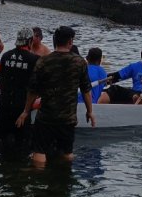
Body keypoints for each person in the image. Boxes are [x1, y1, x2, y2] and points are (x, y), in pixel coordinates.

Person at [17, 26, 95, 168]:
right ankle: (63, 178)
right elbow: (86, 90)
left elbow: (33, 91)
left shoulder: (43, 61)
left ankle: (38, 178)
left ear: (55, 41)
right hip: (67, 118)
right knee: (67, 153)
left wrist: (26, 111)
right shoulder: (80, 62)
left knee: (39, 153)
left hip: (46, 117)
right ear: (70, 42)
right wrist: (90, 111)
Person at [0, 27, 39, 153]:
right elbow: (35, 87)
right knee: (22, 143)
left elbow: (1, 82)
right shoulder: (34, 60)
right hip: (22, 108)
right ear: (30, 41)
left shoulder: (6, 56)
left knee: (2, 141)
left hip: (4, 105)